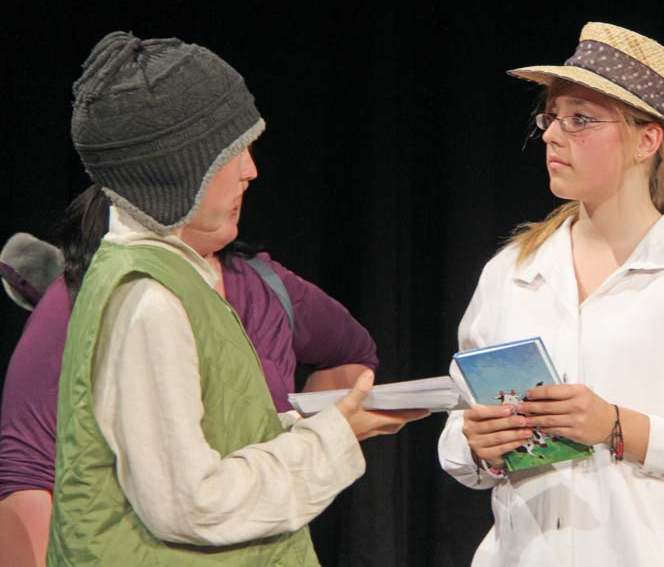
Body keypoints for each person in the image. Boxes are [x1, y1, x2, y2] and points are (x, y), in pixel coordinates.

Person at [42, 31, 426, 566]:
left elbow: (212, 440)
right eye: (231, 152)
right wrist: (335, 435)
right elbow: (193, 505)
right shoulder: (148, 299)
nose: (251, 170)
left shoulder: (170, 277)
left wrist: (325, 422)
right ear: (178, 169)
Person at [437, 22, 664, 565]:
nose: (552, 135)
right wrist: (477, 445)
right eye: (551, 117)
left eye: (580, 119)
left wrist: (621, 428)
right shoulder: (511, 273)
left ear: (646, 140)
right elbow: (460, 427)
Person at [0, 182, 380, 565]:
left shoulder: (261, 286)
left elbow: (351, 354)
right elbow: (29, 471)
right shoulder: (106, 297)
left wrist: (306, 442)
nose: (246, 175)